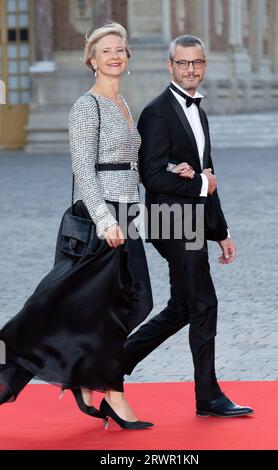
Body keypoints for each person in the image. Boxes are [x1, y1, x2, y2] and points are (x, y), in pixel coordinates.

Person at [0, 22, 153, 430]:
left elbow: (129, 164)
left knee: (130, 304)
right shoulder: (87, 106)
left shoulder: (122, 103)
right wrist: (105, 220)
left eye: (120, 49)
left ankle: (90, 379)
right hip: (103, 221)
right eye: (106, 51)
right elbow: (83, 170)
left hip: (128, 215)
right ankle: (110, 393)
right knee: (66, 310)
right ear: (91, 59)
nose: (115, 55)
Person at [123, 35, 253, 418]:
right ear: (170, 66)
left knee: (182, 307)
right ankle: (208, 396)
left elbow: (208, 175)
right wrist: (197, 182)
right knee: (204, 302)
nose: (190, 69)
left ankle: (113, 361)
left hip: (192, 220)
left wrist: (222, 232)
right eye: (183, 63)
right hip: (169, 219)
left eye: (196, 63)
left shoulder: (199, 111)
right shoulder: (156, 111)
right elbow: (151, 175)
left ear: (204, 65)